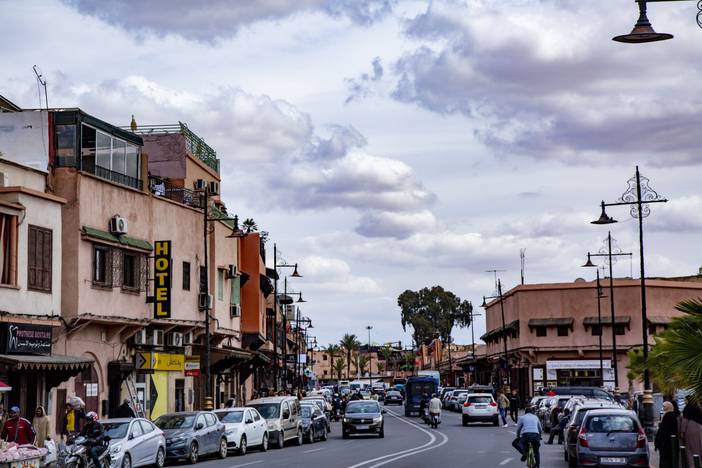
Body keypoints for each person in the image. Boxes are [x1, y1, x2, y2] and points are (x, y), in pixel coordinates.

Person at [655, 401, 678, 468]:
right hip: (667, 442)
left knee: (666, 461)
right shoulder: (669, 415)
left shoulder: (668, 415)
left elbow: (664, 430)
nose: (663, 408)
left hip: (666, 443)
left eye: (664, 406)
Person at [681, 398, 702, 468]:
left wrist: (682, 431)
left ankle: (692, 465)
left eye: (685, 400)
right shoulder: (698, 408)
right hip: (699, 428)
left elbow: (684, 422)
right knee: (699, 447)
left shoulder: (687, 409)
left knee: (690, 448)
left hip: (690, 428)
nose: (684, 401)